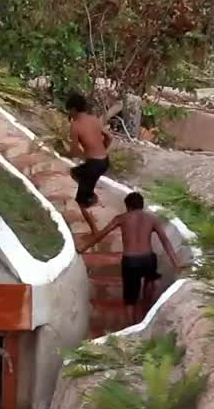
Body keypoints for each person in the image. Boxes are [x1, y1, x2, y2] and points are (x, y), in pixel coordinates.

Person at [79, 192, 182, 325]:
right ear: (142, 205)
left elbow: (101, 235)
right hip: (148, 259)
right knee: (150, 280)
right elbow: (165, 241)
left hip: (130, 261)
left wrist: (83, 248)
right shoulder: (152, 218)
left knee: (130, 299)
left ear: (128, 206)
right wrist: (176, 263)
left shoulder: (121, 218)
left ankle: (131, 326)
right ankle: (146, 312)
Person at [66, 92, 112, 233]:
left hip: (93, 165)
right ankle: (90, 194)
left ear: (73, 109)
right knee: (74, 172)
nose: (69, 113)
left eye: (69, 110)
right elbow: (109, 137)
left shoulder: (75, 126)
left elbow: (74, 151)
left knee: (80, 201)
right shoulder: (94, 119)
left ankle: (95, 230)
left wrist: (83, 155)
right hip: (105, 161)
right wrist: (102, 149)